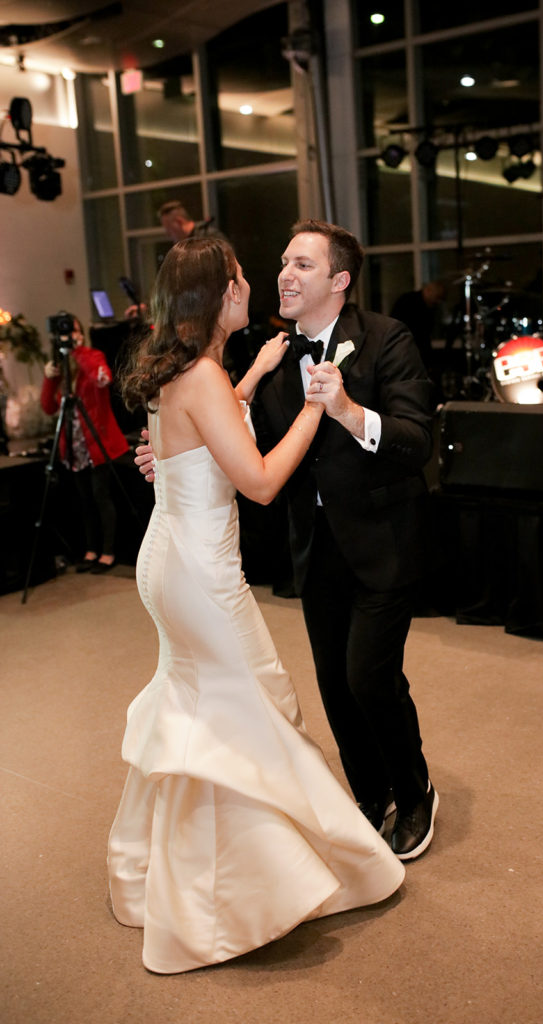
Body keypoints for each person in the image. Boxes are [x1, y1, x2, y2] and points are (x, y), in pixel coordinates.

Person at [109, 236, 405, 974]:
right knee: (249, 705)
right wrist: (315, 407)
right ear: (220, 296)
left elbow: (209, 424)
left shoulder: (188, 370)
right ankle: (234, 897)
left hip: (167, 557)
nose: (254, 283)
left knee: (205, 706)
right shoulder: (204, 376)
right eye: (242, 277)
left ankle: (181, 868)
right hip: (202, 573)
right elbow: (262, 481)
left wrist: (260, 374)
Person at [139, 220, 438, 860]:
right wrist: (171, 452)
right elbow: (234, 441)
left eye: (302, 264)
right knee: (333, 681)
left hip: (385, 539)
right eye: (280, 263)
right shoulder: (270, 360)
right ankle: (370, 791)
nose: (283, 275)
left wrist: (352, 414)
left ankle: (416, 793)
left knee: (369, 677)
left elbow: (418, 443)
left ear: (339, 280)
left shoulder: (388, 339)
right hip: (315, 546)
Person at [40, 315, 130, 573]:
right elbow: (48, 407)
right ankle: (91, 549)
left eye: (74, 332)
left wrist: (78, 352)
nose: (69, 337)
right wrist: (50, 377)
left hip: (97, 441)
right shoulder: (60, 368)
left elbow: (103, 378)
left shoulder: (92, 356)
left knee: (101, 497)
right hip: (73, 446)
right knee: (84, 500)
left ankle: (108, 551)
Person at [390, 279, 446, 369]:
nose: (438, 302)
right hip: (406, 351)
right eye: (437, 297)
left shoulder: (429, 307)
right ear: (428, 291)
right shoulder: (408, 301)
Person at [157, 199, 226, 243]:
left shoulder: (210, 237)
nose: (168, 233)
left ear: (179, 221)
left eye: (169, 227)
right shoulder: (182, 244)